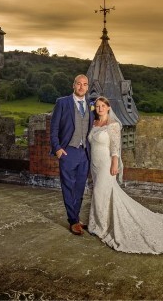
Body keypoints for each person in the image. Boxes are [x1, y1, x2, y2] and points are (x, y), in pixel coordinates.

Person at [88, 96, 163, 254]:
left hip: (106, 164)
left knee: (99, 192)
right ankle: (98, 223)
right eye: (97, 106)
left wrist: (115, 163)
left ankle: (101, 227)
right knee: (103, 194)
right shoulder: (95, 124)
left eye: (103, 106)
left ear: (109, 107)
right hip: (94, 165)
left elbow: (116, 147)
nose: (100, 108)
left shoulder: (113, 125)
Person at [50, 74, 95, 235]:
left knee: (80, 187)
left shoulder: (91, 105)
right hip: (68, 152)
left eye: (85, 84)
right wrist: (57, 149)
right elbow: (54, 128)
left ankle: (76, 217)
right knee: (68, 187)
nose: (81, 87)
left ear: (88, 87)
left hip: (84, 153)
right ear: (73, 85)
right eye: (78, 84)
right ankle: (73, 221)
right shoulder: (62, 102)